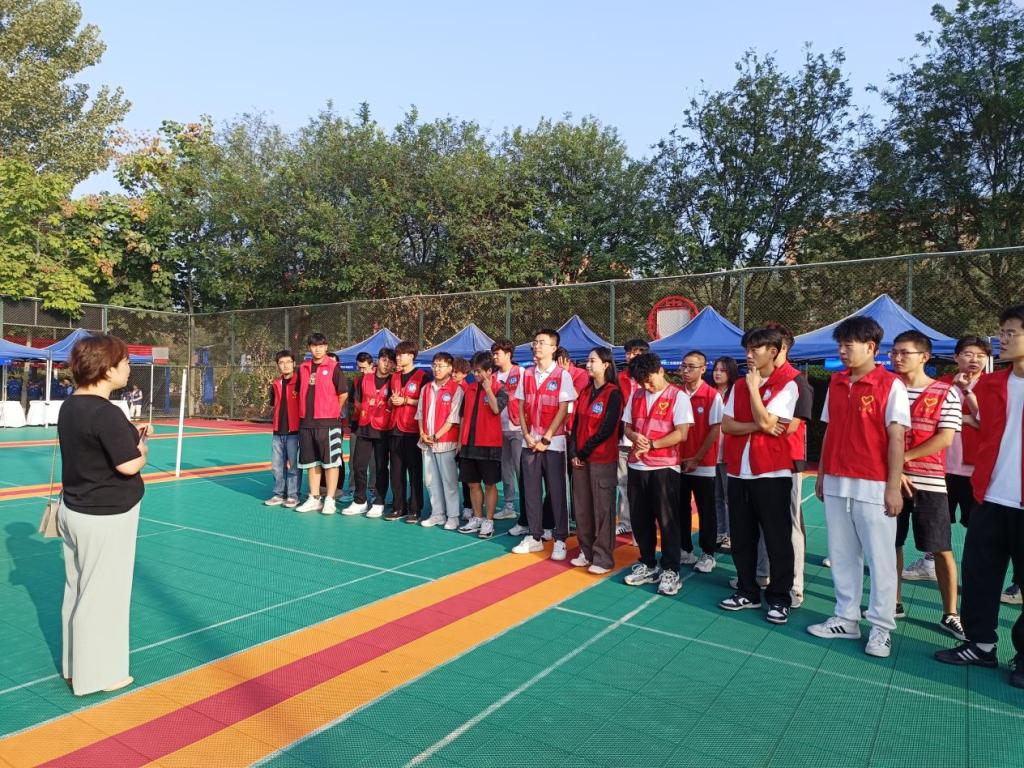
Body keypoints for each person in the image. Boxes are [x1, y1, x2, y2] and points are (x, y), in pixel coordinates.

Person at [809, 316, 909, 658]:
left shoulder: (890, 385)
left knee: (880, 558)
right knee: (841, 553)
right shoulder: (836, 382)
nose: (842, 351)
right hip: (836, 479)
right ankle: (846, 618)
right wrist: (822, 474)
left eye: (848, 345)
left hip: (873, 482)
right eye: (840, 344)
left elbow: (897, 438)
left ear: (870, 347)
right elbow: (829, 430)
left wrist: (893, 487)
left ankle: (881, 627)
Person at [935, 304, 1024, 689]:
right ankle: (981, 644)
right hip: (990, 498)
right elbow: (983, 425)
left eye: (1011, 332)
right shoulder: (992, 384)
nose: (1002, 339)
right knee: (979, 575)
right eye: (1001, 332)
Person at [57, 334, 148, 696]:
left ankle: (74, 666)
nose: (128, 369)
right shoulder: (106, 411)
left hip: (75, 509)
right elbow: (128, 465)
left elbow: (96, 444)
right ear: (107, 370)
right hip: (106, 515)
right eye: (124, 362)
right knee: (104, 596)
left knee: (77, 590)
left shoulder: (71, 405)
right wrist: (143, 450)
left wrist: (130, 436)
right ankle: (99, 676)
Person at [719, 327, 799, 623]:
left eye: (756, 349)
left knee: (777, 539)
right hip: (739, 472)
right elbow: (728, 425)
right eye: (747, 349)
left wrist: (754, 391)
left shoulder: (788, 384)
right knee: (742, 537)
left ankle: (779, 598)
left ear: (773, 352)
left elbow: (769, 422)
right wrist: (757, 424)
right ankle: (747, 591)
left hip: (772, 472)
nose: (749, 355)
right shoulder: (738, 385)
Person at [888, 330, 964, 639]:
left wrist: (901, 460)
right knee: (891, 543)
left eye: (904, 352)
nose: (897, 357)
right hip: (891, 481)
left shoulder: (945, 392)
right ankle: (893, 602)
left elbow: (945, 438)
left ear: (924, 356)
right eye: (894, 352)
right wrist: (894, 470)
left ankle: (950, 613)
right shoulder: (887, 388)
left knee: (941, 547)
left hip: (929, 481)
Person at [621, 352, 692, 596]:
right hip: (637, 466)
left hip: (664, 467)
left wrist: (652, 444)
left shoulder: (678, 397)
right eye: (642, 383)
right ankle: (648, 563)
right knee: (640, 519)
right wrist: (634, 436)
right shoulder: (636, 395)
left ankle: (671, 569)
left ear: (661, 371)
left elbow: (681, 433)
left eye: (650, 381)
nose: (647, 386)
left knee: (667, 521)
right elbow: (627, 427)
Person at [512, 328, 576, 560]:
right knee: (530, 491)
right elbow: (521, 406)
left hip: (554, 443)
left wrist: (547, 438)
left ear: (553, 348)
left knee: (557, 491)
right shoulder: (527, 374)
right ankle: (535, 537)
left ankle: (560, 539)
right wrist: (527, 435)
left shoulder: (562, 375)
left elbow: (564, 409)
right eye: (535, 342)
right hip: (529, 441)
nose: (537, 346)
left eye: (542, 342)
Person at [568, 347, 624, 574]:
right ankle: (586, 551)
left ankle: (603, 558)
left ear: (606, 364)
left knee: (602, 509)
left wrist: (582, 452)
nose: (588, 365)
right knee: (582, 507)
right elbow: (575, 425)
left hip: (601, 458)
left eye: (592, 361)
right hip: (581, 458)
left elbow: (607, 430)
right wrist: (574, 451)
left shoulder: (614, 393)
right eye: (588, 361)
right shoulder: (585, 391)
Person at [678, 350, 724, 574]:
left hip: (703, 464)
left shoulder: (712, 396)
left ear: (703, 369)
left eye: (691, 367)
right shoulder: (676, 394)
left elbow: (715, 430)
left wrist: (697, 458)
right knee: (680, 508)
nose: (686, 370)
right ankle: (685, 549)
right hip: (678, 463)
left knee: (706, 510)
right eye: (683, 366)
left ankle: (708, 553)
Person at [295, 333, 349, 516]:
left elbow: (343, 393)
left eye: (320, 346)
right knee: (312, 463)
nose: (317, 349)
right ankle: (314, 498)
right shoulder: (303, 368)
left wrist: (333, 410)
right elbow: (299, 392)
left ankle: (330, 500)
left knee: (331, 463)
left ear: (326, 347)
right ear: (309, 348)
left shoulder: (334, 367)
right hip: (307, 423)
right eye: (313, 346)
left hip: (328, 424)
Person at [457, 351, 507, 538]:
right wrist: (460, 442)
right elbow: (463, 417)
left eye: (479, 371)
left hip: (489, 445)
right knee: (473, 484)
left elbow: (496, 409)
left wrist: (488, 389)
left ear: (489, 371)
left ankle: (489, 521)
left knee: (490, 485)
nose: (475, 374)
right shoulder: (469, 389)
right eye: (474, 371)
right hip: (468, 444)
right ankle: (477, 518)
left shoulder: (500, 389)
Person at [344, 348, 395, 518]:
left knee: (380, 467)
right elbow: (357, 402)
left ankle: (379, 501)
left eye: (391, 362)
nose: (386, 364)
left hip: (383, 429)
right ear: (377, 361)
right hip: (364, 427)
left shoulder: (394, 381)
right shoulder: (363, 379)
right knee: (359, 465)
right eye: (384, 360)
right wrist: (363, 410)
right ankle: (360, 500)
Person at [419, 352, 464, 529]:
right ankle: (437, 514)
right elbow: (420, 414)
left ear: (450, 368)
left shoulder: (456, 389)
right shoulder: (426, 388)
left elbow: (453, 419)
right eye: (435, 365)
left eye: (441, 366)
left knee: (449, 481)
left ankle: (453, 516)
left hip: (445, 441)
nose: (437, 369)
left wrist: (436, 436)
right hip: (427, 442)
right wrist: (423, 433)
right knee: (430, 480)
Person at [386, 340, 429, 523]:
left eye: (401, 354)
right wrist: (392, 401)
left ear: (411, 356)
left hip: (412, 430)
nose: (398, 357)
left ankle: (415, 509)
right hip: (395, 429)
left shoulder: (422, 376)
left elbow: (426, 401)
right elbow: (390, 401)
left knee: (414, 472)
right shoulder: (394, 377)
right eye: (397, 354)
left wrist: (406, 401)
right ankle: (398, 507)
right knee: (396, 472)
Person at [616, 339, 650, 537]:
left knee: (644, 485)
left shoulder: (651, 380)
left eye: (635, 353)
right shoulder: (619, 378)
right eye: (628, 352)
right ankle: (626, 521)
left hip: (645, 441)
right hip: (624, 439)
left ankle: (644, 523)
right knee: (623, 483)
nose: (630, 356)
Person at [491, 339, 523, 521]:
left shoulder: (521, 373)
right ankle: (509, 506)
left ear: (508, 354)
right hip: (498, 430)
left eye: (498, 353)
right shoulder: (493, 377)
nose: (495, 357)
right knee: (506, 470)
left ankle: (527, 506)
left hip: (518, 428)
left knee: (521, 469)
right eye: (493, 354)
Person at [265, 350, 301, 508]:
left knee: (293, 465)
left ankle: (293, 495)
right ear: (277, 365)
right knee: (276, 466)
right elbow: (273, 404)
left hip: (294, 431)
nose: (285, 365)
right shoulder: (275, 384)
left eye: (288, 362)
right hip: (277, 431)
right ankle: (279, 494)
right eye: (281, 363)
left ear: (294, 363)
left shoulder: (300, 382)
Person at [712, 356, 740, 552]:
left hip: (730, 453)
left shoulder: (736, 393)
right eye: (716, 369)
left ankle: (733, 535)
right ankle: (721, 531)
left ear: (730, 372)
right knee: (716, 496)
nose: (718, 373)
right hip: (712, 453)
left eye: (722, 370)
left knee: (730, 497)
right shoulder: (710, 393)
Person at [342, 352, 375, 501]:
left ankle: (373, 490)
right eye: (359, 367)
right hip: (357, 426)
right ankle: (353, 489)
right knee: (354, 460)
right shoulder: (356, 381)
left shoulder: (379, 380)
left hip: (375, 427)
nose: (362, 370)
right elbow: (352, 403)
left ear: (372, 365)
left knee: (374, 461)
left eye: (364, 367)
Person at [451, 357, 475, 522]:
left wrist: (461, 440)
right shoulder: (449, 388)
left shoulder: (468, 390)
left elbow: (464, 418)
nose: (453, 374)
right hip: (448, 437)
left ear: (465, 374)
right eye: (452, 371)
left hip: (463, 439)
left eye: (457, 372)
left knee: (466, 475)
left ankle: (469, 506)